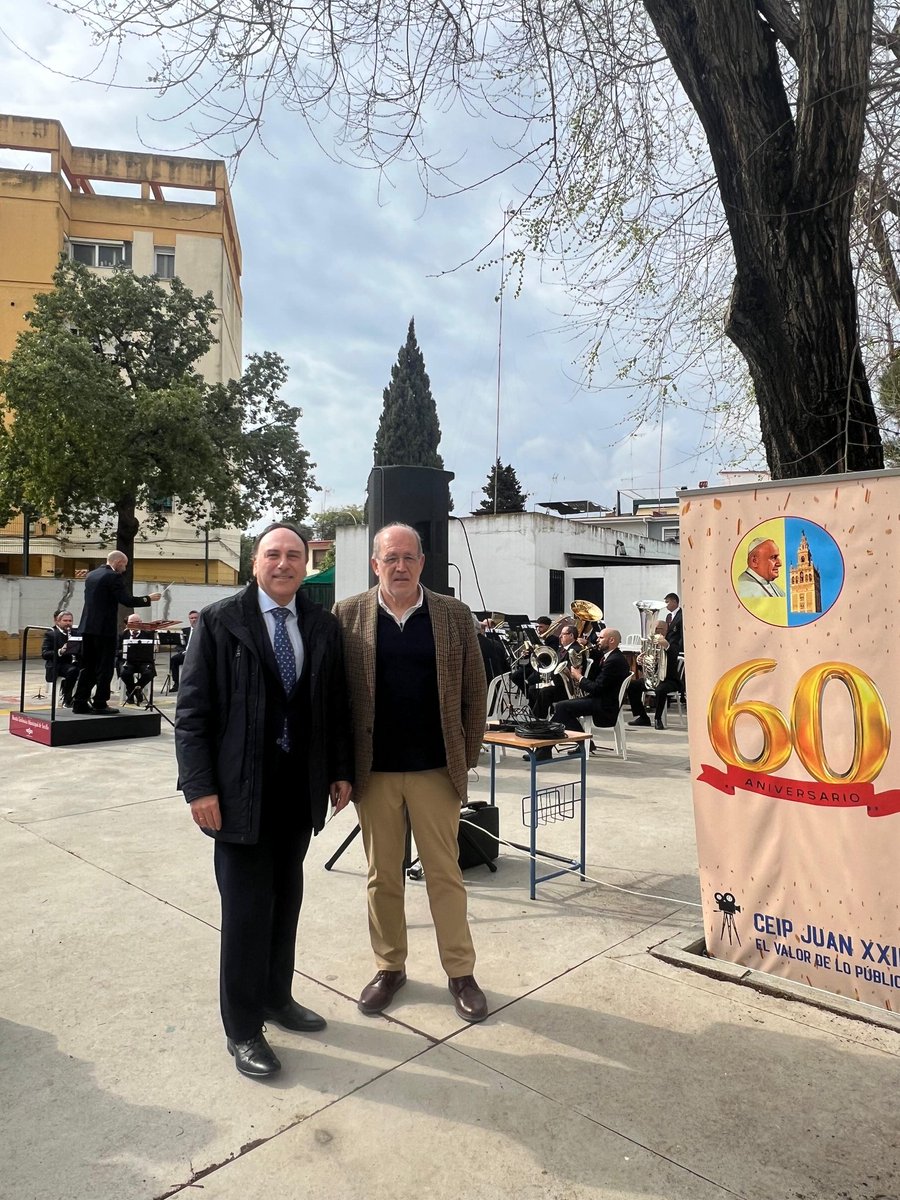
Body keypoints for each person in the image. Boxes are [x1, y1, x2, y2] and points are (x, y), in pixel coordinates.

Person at [333, 523, 489, 1023]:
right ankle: (389, 968)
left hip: (435, 770)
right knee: (383, 878)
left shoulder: (453, 615)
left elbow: (474, 691)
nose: (399, 566)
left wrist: (467, 757)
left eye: (409, 558)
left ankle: (461, 973)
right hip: (374, 773)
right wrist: (340, 769)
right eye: (390, 558)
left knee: (445, 875)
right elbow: (335, 696)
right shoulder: (348, 614)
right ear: (375, 564)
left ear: (423, 563)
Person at [71, 552, 161, 715]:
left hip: (88, 627)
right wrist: (148, 599)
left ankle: (80, 702)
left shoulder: (92, 575)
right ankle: (100, 702)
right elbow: (126, 600)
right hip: (104, 629)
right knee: (105, 667)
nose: (125, 569)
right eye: (124, 565)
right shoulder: (113, 577)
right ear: (119, 562)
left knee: (88, 666)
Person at [541, 627, 630, 758]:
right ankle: (548, 748)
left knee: (562, 707)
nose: (597, 640)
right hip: (601, 698)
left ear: (611, 640)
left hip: (605, 704)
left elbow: (596, 688)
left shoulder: (614, 661)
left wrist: (579, 677)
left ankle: (548, 748)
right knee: (562, 707)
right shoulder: (610, 656)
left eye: (601, 638)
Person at [652, 593, 686, 729]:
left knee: (660, 690)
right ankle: (642, 716)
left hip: (670, 677)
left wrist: (667, 645)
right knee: (633, 686)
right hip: (656, 677)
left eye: (667, 602)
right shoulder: (668, 617)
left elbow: (679, 639)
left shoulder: (681, 616)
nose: (656, 632)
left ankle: (657, 719)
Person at [41, 609, 80, 707]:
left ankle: (82, 698)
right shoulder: (51, 634)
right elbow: (45, 654)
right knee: (73, 670)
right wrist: (60, 651)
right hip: (58, 665)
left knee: (90, 669)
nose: (68, 623)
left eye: (70, 621)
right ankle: (67, 699)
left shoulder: (75, 633)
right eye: (65, 621)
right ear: (58, 622)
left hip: (74, 662)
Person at [116, 614, 158, 705]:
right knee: (125, 673)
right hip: (128, 661)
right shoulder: (123, 634)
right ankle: (134, 691)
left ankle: (134, 691)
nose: (133, 625)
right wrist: (125, 650)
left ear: (141, 623)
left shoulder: (148, 634)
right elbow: (116, 650)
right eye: (130, 623)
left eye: (136, 623)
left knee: (149, 672)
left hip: (144, 661)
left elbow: (152, 650)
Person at [168, 609, 199, 692]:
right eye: (192, 618)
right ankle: (176, 684)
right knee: (174, 659)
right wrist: (182, 651)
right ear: (189, 619)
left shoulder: (204, 630)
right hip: (186, 653)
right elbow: (179, 645)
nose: (194, 620)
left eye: (196, 618)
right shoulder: (185, 631)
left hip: (199, 654)